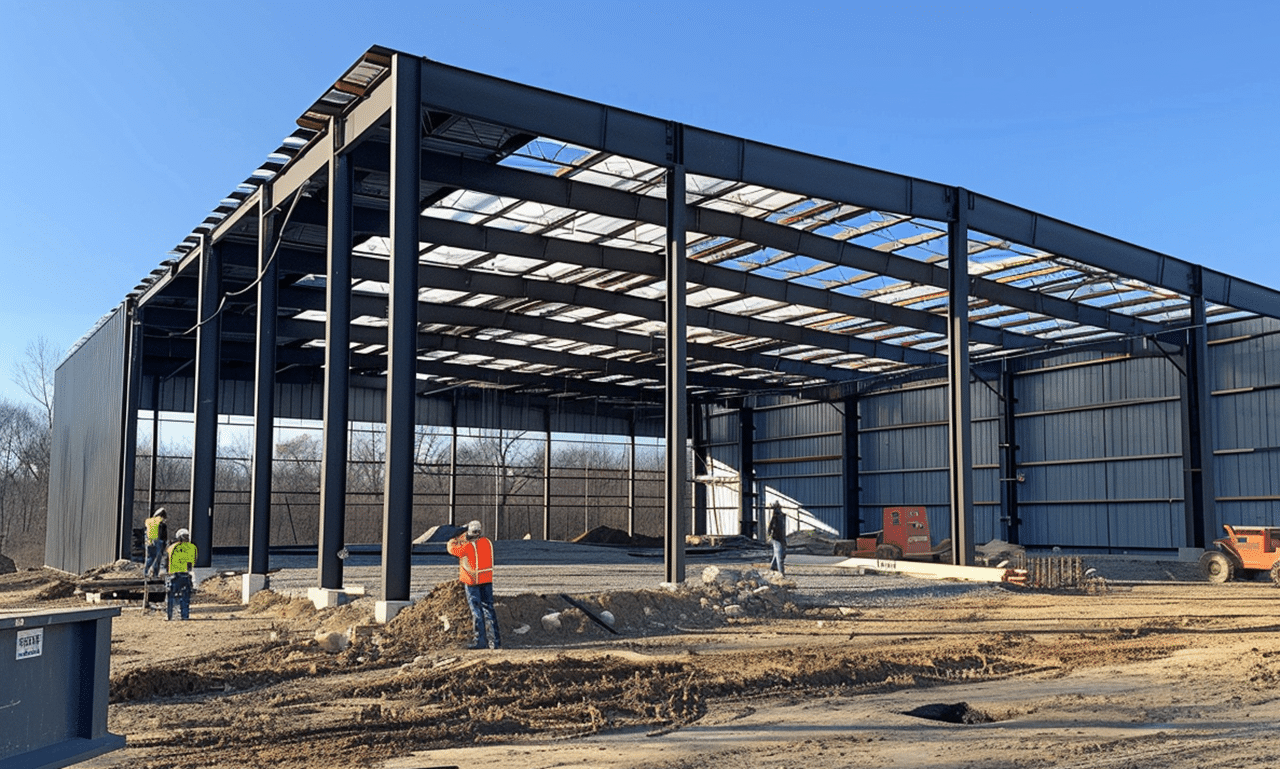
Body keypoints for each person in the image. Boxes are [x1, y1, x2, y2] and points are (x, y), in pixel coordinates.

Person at [447, 520, 501, 650]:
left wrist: (456, 537)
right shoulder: (487, 542)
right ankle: (495, 642)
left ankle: (480, 641)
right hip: (487, 580)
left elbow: (451, 548)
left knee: (477, 612)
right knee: (489, 610)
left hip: (472, 581)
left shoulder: (466, 547)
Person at [165, 528, 197, 621]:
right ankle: (185, 616)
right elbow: (192, 563)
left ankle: (169, 616)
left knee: (171, 596)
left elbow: (166, 561)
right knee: (185, 597)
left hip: (173, 575)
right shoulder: (192, 547)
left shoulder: (172, 547)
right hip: (185, 575)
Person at [143, 508, 168, 579]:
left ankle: (146, 572)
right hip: (158, 541)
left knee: (149, 557)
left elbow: (146, 532)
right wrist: (164, 543)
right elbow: (163, 535)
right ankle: (155, 574)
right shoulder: (161, 524)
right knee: (158, 558)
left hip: (149, 541)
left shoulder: (149, 522)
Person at [767, 501, 787, 577]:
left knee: (777, 555)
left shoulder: (779, 517)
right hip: (778, 539)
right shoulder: (777, 517)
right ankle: (781, 573)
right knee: (780, 557)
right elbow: (771, 529)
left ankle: (772, 570)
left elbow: (770, 529)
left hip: (779, 538)